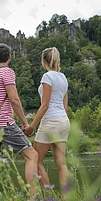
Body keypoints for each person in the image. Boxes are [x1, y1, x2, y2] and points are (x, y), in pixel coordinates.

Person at [0, 43, 39, 197]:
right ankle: (34, 200)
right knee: (32, 156)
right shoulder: (7, 72)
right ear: (9, 57)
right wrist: (25, 123)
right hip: (4, 124)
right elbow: (14, 100)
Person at [24, 47, 70, 192]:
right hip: (63, 120)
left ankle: (48, 200)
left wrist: (32, 126)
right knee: (61, 164)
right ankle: (66, 200)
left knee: (36, 160)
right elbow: (65, 105)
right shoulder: (63, 77)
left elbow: (44, 105)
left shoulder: (47, 77)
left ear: (44, 61)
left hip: (51, 121)